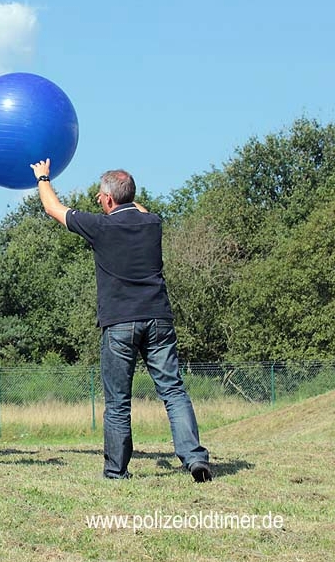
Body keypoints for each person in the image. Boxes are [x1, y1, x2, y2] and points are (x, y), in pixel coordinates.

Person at [30, 159, 212, 482]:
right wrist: (121, 196)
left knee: (117, 402)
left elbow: (52, 208)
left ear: (109, 199)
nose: (99, 200)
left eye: (102, 197)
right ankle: (195, 458)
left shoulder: (101, 227)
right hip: (158, 319)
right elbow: (137, 208)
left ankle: (116, 470)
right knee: (173, 391)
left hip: (120, 324)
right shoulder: (153, 223)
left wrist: (42, 177)